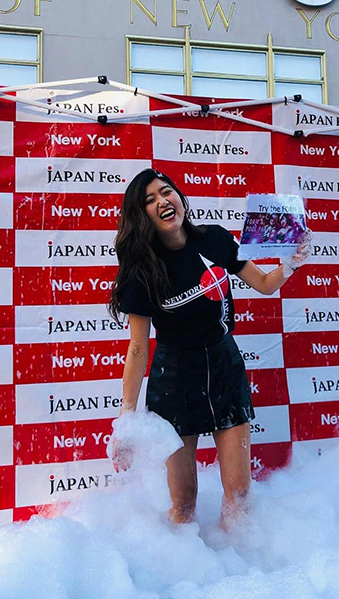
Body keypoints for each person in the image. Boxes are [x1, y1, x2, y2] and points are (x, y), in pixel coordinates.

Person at [108, 168, 310, 528]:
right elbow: (138, 349)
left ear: (179, 197)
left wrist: (291, 263)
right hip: (173, 381)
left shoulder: (214, 239)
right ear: (143, 217)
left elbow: (263, 284)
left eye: (165, 192)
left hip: (223, 368)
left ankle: (241, 574)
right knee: (183, 504)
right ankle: (188, 575)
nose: (162, 202)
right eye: (150, 200)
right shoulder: (141, 269)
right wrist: (126, 418)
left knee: (240, 499)